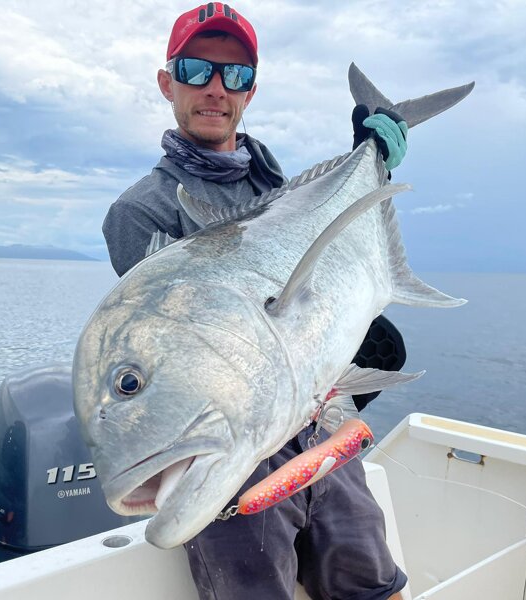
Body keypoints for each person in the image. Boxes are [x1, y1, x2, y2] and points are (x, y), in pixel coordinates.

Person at [102, 4, 408, 599]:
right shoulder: (142, 211)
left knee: (376, 586)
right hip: (230, 455)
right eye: (196, 70)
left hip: (318, 425)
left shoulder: (276, 186)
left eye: (235, 75)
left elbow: (321, 284)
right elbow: (183, 348)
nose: (216, 88)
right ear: (167, 82)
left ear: (251, 91)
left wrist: (370, 160)